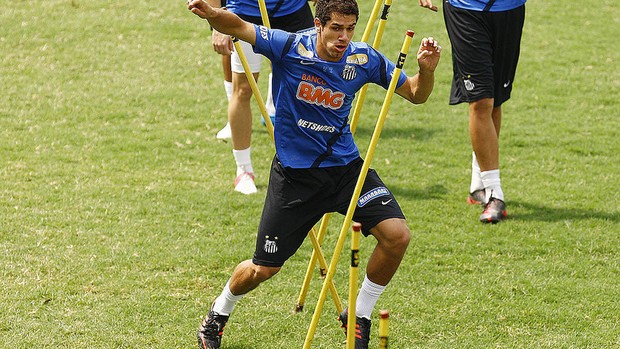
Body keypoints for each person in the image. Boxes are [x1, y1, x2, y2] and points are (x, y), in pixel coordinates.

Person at [187, 0, 441, 348]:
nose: (343, 38)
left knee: (397, 236)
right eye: (336, 28)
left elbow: (415, 94)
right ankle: (218, 312)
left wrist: (426, 70)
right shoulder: (290, 46)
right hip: (296, 178)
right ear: (318, 25)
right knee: (264, 269)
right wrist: (214, 15)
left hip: (346, 170)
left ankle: (359, 313)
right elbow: (241, 27)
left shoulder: (362, 58)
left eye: (350, 29)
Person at [419, 0, 526, 223]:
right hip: (465, 9)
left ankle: (479, 185)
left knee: (495, 100)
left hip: (510, 8)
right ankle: (495, 194)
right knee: (481, 101)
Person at [208, 0, 315, 194]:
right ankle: (244, 169)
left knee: (304, 88)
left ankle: (303, 165)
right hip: (245, 12)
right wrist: (217, 18)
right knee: (243, 89)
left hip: (294, 10)